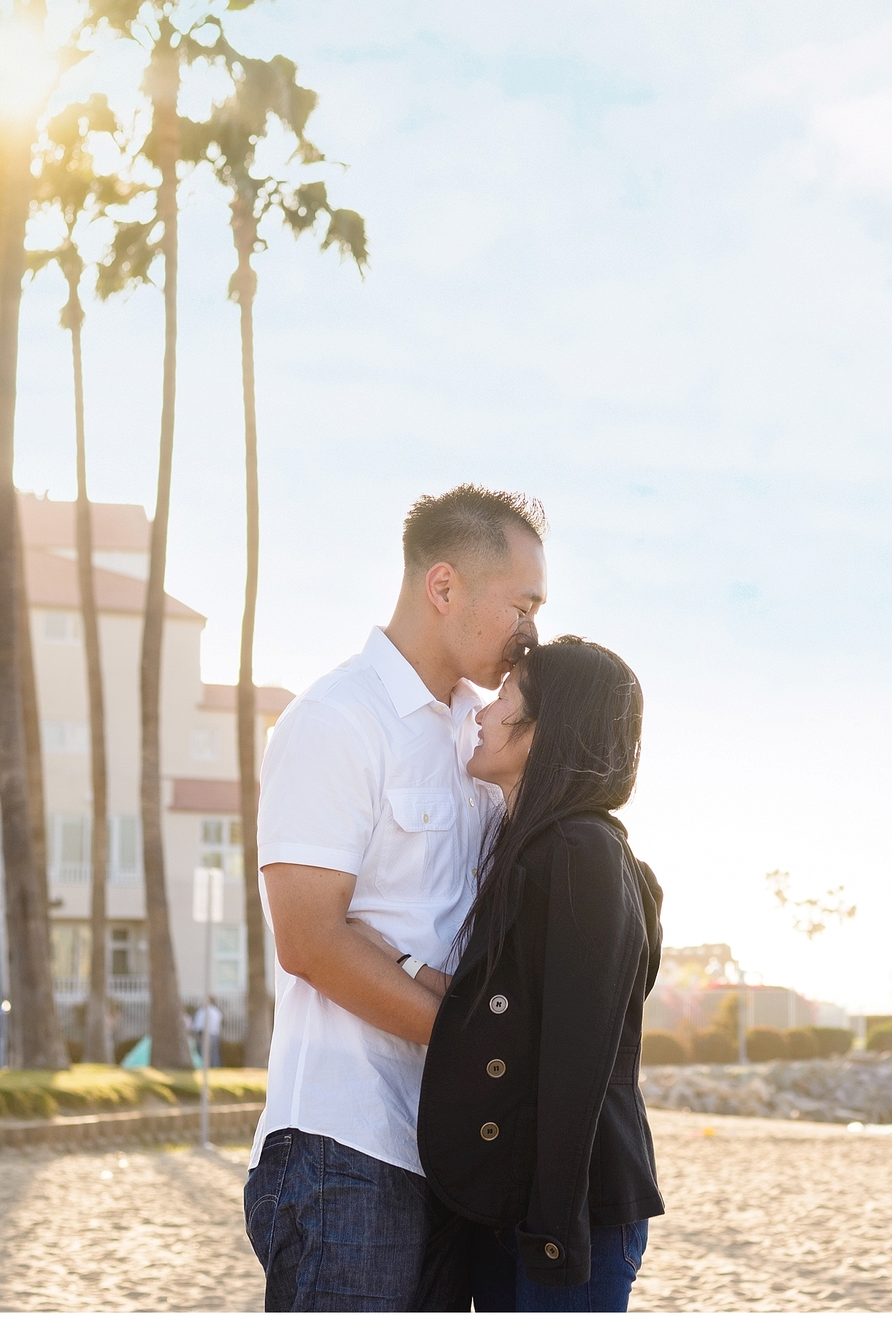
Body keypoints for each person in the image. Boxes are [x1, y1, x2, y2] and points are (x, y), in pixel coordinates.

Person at [242, 486, 549, 1312]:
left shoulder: (482, 737)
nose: (533, 632)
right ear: (443, 588)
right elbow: (307, 939)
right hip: (347, 1147)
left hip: (449, 1153)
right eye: (522, 605)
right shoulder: (336, 720)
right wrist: (481, 1047)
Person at [411, 635, 664, 1312]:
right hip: (518, 1205)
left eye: (505, 698)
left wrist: (553, 1231)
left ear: (546, 729)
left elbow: (577, 1057)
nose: (483, 713)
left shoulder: (584, 851)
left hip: (570, 1211)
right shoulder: (537, 846)